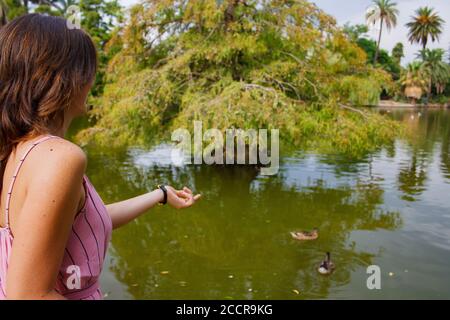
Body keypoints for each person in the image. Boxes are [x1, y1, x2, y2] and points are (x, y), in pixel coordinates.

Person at [0, 14, 201, 300]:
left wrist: (161, 194)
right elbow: (30, 295)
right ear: (65, 78)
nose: (92, 79)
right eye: (88, 69)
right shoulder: (61, 158)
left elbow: (84, 222)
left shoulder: (19, 150)